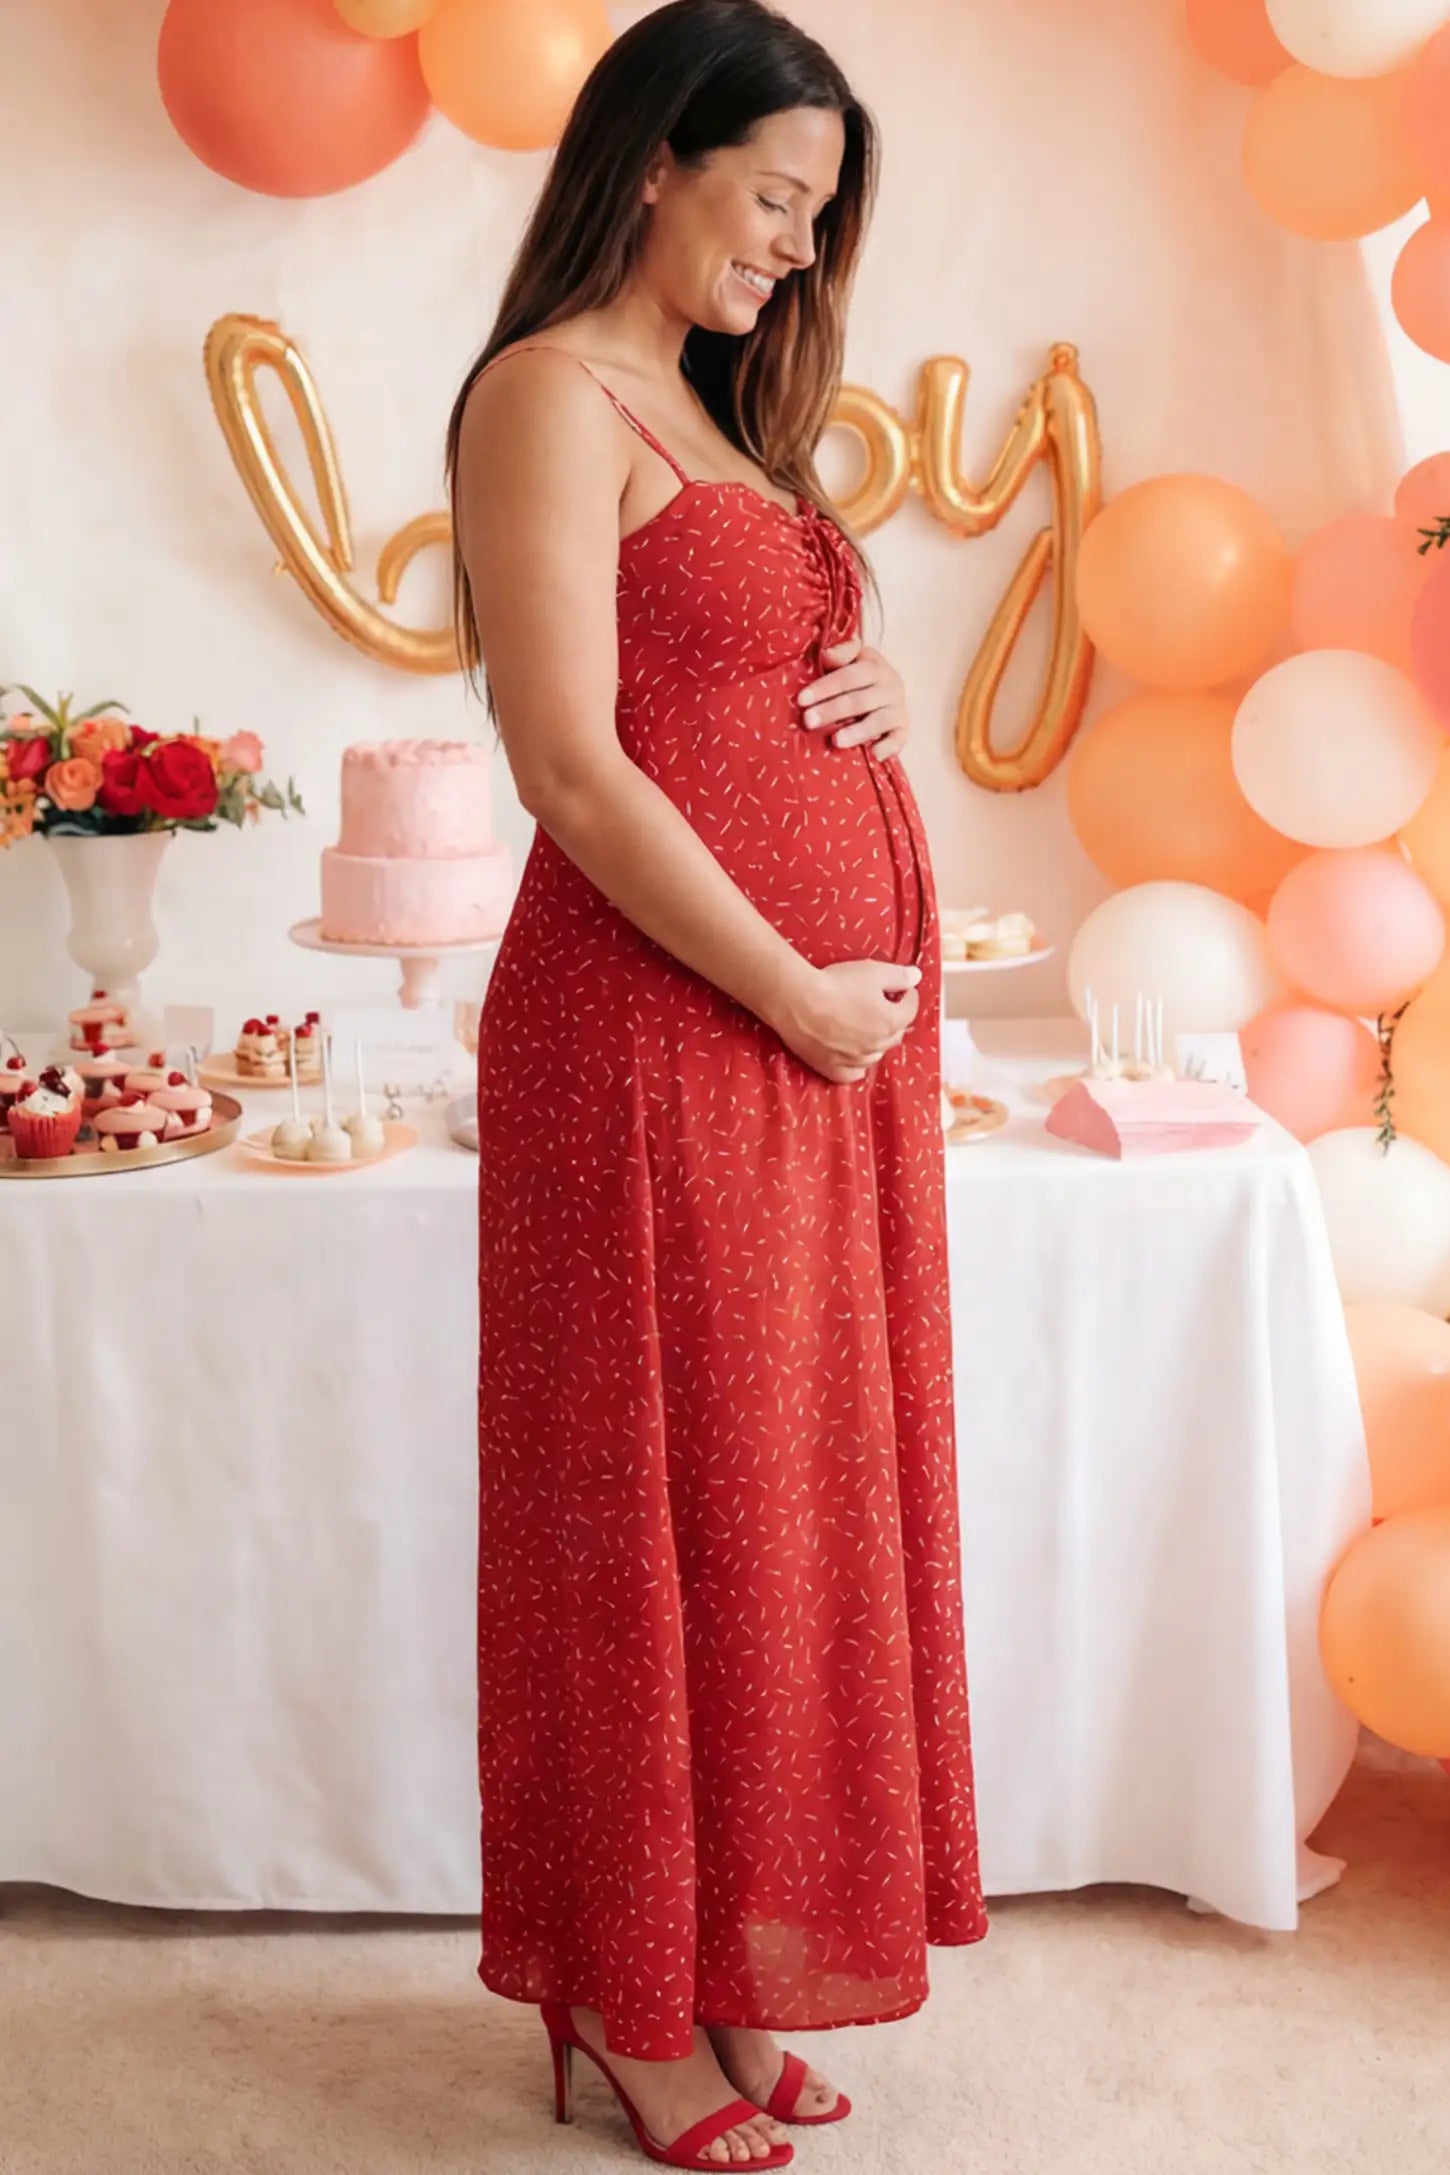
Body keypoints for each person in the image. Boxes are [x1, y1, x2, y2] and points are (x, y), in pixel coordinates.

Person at [445, 3, 988, 2166]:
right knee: (643, 1516)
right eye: (771, 194)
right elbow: (570, 766)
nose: (793, 244)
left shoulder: (709, 405)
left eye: (818, 213)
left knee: (775, 1510)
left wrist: (860, 682)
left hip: (797, 1050)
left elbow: (712, 685)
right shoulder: (542, 397)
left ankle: (719, 1952)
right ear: (649, 159)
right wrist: (788, 985)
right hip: (664, 1039)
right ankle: (620, 1994)